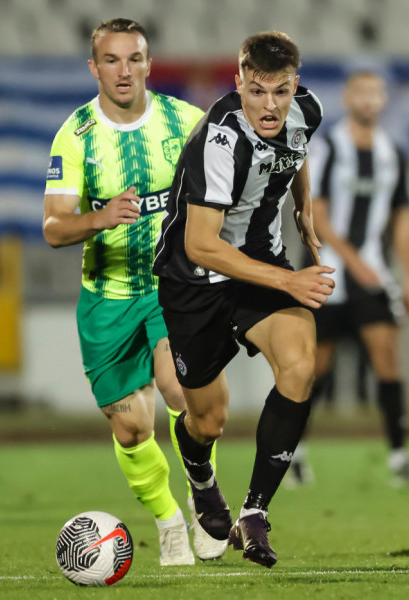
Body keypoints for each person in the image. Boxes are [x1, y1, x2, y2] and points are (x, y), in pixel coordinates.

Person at [42, 18, 227, 565]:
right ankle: (168, 522)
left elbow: (228, 186)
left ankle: (202, 496)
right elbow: (53, 226)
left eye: (134, 59)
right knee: (130, 428)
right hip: (107, 296)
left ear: (148, 64)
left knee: (180, 390)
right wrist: (99, 218)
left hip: (172, 287)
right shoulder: (76, 135)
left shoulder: (185, 121)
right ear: (94, 68)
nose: (124, 71)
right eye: (112, 60)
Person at [152, 31, 333, 569]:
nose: (269, 106)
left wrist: (302, 205)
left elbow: (296, 152)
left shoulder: (307, 111)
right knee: (208, 421)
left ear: (295, 85)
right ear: (238, 84)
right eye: (256, 91)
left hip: (258, 263)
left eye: (280, 91)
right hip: (194, 280)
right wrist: (290, 282)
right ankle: (200, 476)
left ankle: (254, 513)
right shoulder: (219, 140)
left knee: (299, 364)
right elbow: (201, 244)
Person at [290, 70, 409, 488]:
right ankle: (293, 455)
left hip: (371, 273)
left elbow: (402, 218)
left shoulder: (393, 154)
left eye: (375, 93)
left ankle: (399, 460)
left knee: (387, 358)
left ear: (384, 100)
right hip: (327, 272)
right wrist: (353, 261)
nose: (369, 100)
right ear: (348, 98)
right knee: (315, 368)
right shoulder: (329, 147)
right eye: (361, 93)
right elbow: (314, 211)